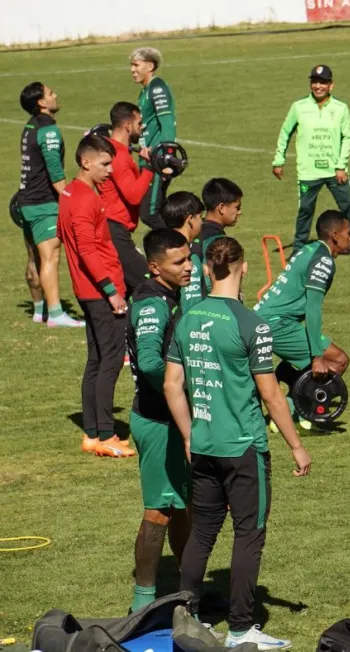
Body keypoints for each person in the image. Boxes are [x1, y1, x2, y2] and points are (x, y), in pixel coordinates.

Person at [164, 236, 311, 650]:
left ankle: (188, 617)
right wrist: (296, 445)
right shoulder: (252, 324)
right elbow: (271, 394)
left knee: (203, 531)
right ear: (243, 267)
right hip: (244, 447)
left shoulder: (187, 318)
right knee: (249, 534)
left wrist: (189, 434)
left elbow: (172, 385)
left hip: (204, 445)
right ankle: (242, 629)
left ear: (207, 269)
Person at [126, 228, 193, 614]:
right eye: (179, 262)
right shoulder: (152, 304)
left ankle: (188, 591)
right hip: (158, 422)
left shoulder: (171, 294)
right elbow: (151, 362)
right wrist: (181, 391)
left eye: (189, 258)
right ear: (154, 267)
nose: (188, 267)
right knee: (159, 511)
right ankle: (143, 604)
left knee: (181, 506)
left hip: (171, 419)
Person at [57, 134, 134, 457]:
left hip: (86, 291)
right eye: (105, 164)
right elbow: (87, 249)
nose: (110, 170)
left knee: (96, 360)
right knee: (111, 361)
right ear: (85, 162)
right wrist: (112, 292)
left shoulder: (69, 193)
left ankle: (92, 433)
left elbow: (67, 239)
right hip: (101, 292)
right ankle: (106, 435)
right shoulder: (84, 199)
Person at [254, 210, 350, 430]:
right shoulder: (323, 260)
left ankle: (288, 394)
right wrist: (317, 355)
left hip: (267, 320)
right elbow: (312, 307)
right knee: (338, 360)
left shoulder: (310, 248)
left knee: (327, 360)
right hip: (277, 324)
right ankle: (297, 415)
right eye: (348, 233)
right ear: (335, 235)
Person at [272, 65, 350, 256]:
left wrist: (341, 165)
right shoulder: (299, 107)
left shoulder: (341, 108)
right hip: (309, 171)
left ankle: (349, 243)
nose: (318, 86)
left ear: (331, 85)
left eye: (322, 82)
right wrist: (278, 160)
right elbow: (285, 132)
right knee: (305, 209)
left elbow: (348, 137)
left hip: (334, 170)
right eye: (314, 82)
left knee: (348, 204)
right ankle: (299, 248)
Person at [15, 81, 83, 327]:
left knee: (35, 257)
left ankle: (38, 311)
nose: (55, 95)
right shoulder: (49, 131)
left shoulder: (30, 126)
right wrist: (72, 200)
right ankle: (55, 314)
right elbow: (55, 174)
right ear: (42, 102)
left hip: (25, 201)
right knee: (50, 257)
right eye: (50, 93)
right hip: (43, 204)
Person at [99, 101, 155, 296]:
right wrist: (149, 168)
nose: (142, 127)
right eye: (139, 123)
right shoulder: (119, 156)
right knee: (150, 284)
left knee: (127, 290)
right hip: (115, 231)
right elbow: (134, 196)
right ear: (128, 125)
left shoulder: (111, 149)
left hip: (113, 228)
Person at [131, 47, 176, 229]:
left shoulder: (157, 88)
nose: (132, 70)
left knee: (149, 213)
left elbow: (167, 123)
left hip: (156, 159)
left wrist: (166, 157)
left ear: (150, 66)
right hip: (148, 158)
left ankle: (175, 242)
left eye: (136, 65)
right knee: (160, 210)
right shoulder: (145, 91)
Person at [198, 178, 243, 298]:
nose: (240, 212)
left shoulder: (197, 229)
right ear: (221, 207)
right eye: (237, 207)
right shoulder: (215, 239)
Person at [161, 191, 204, 312]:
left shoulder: (160, 250)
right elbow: (191, 305)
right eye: (200, 217)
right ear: (190, 219)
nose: (202, 222)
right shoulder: (189, 258)